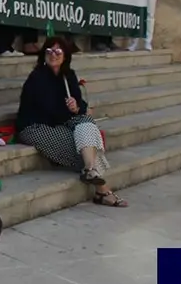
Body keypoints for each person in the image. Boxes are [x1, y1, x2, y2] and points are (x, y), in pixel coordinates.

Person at [15, 37, 128, 207]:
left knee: (86, 122)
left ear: (65, 55)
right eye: (49, 51)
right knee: (83, 147)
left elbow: (80, 105)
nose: (53, 55)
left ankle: (90, 170)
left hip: (60, 122)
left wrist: (76, 108)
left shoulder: (68, 75)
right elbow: (49, 111)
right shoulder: (37, 78)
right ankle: (102, 190)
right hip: (36, 126)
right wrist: (72, 112)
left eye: (58, 51)